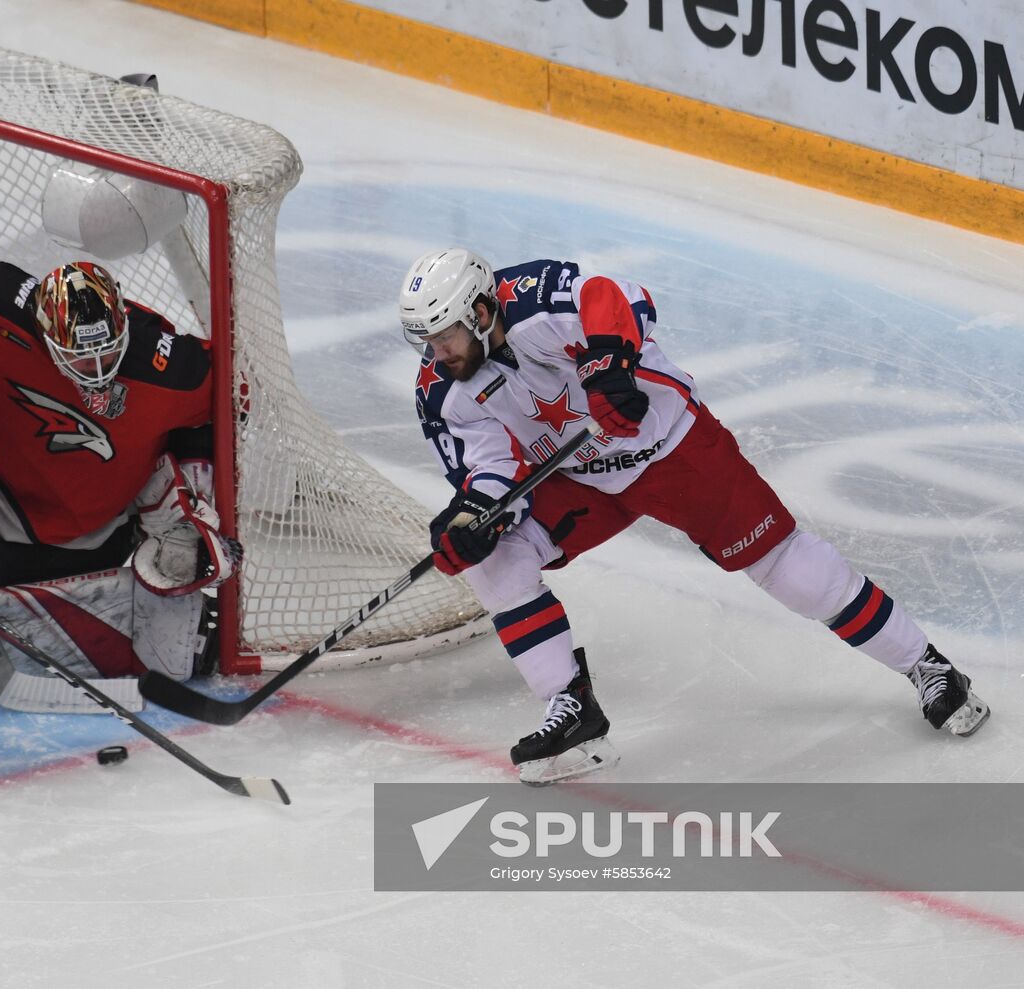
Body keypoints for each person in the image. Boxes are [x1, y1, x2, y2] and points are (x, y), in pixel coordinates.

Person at [400, 248, 990, 785]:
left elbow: (618, 296)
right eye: (426, 341)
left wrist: (609, 366)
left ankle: (925, 665)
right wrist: (473, 519)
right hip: (577, 476)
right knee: (498, 559)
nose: (438, 353)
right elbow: (488, 470)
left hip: (672, 450)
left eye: (445, 335)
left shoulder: (533, 300)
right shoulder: (441, 388)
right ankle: (571, 708)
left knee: (787, 569)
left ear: (480, 310)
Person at [0, 257, 240, 705]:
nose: (96, 371)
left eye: (109, 351)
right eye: (78, 355)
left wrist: (197, 493)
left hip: (89, 533)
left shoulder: (171, 365)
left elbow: (233, 402)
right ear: (43, 331)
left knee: (174, 661)